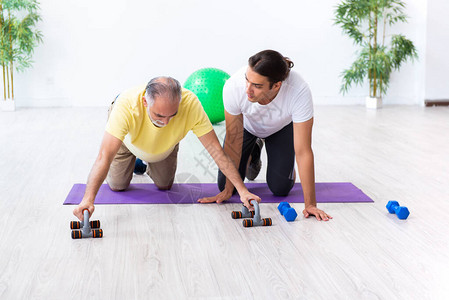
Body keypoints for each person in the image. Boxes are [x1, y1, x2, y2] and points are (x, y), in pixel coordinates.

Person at [73, 76, 260, 221]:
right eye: (159, 115)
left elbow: (217, 152)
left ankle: (145, 160)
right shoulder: (126, 106)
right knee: (117, 186)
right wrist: (88, 199)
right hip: (127, 142)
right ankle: (135, 158)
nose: (166, 122)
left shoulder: (190, 104)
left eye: (173, 115)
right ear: (145, 103)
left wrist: (242, 191)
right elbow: (104, 157)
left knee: (165, 185)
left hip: (163, 145)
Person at [199, 50, 332, 221]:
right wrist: (227, 189)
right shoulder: (234, 86)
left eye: (257, 86)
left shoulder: (298, 91)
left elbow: (304, 151)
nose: (248, 89)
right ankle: (254, 151)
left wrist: (310, 204)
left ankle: (281, 161)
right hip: (246, 128)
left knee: (280, 188)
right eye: (247, 80)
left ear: (276, 85)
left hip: (281, 129)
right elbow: (233, 139)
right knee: (226, 186)